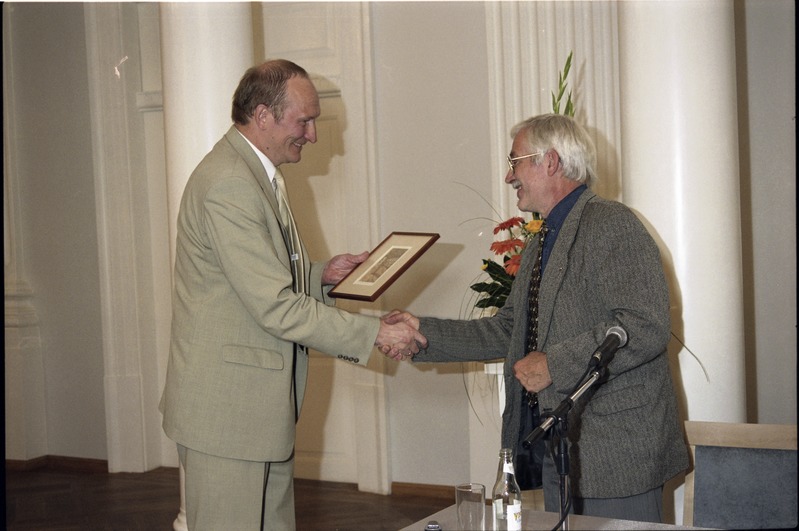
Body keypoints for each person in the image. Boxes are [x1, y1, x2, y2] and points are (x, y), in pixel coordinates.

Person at [160, 59, 426, 531]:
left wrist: (322, 275)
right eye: (304, 120)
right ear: (263, 115)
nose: (312, 135)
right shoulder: (230, 184)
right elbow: (274, 306)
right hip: (229, 416)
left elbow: (250, 279)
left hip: (256, 413)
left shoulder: (253, 173)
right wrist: (374, 333)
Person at [385, 113, 688, 523]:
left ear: (550, 161)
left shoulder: (612, 224)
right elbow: (510, 329)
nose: (509, 176)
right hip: (560, 451)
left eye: (515, 162)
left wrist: (555, 365)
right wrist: (425, 334)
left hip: (618, 457)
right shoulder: (541, 240)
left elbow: (644, 324)